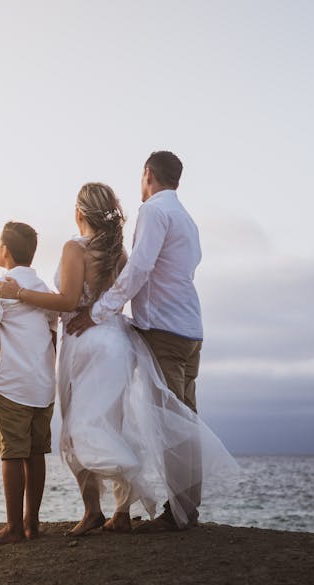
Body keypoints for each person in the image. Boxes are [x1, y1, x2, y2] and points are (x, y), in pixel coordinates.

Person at [0, 179, 237, 535]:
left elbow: (69, 301)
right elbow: (121, 295)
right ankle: (120, 512)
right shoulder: (118, 253)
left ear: (79, 213)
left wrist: (20, 293)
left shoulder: (75, 248)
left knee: (77, 429)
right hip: (118, 342)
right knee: (114, 424)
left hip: (85, 341)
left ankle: (93, 509)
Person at [65, 151, 207, 532]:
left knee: (171, 422)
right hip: (191, 329)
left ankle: (178, 515)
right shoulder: (186, 218)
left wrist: (98, 311)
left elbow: (139, 269)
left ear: (148, 174)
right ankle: (187, 508)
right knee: (186, 420)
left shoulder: (154, 211)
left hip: (165, 331)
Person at [0, 221, 58, 544]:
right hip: (42, 386)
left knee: (11, 454)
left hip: (11, 384)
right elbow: (52, 338)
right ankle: (31, 524)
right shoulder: (44, 291)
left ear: (5, 251)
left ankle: (13, 527)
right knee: (35, 454)